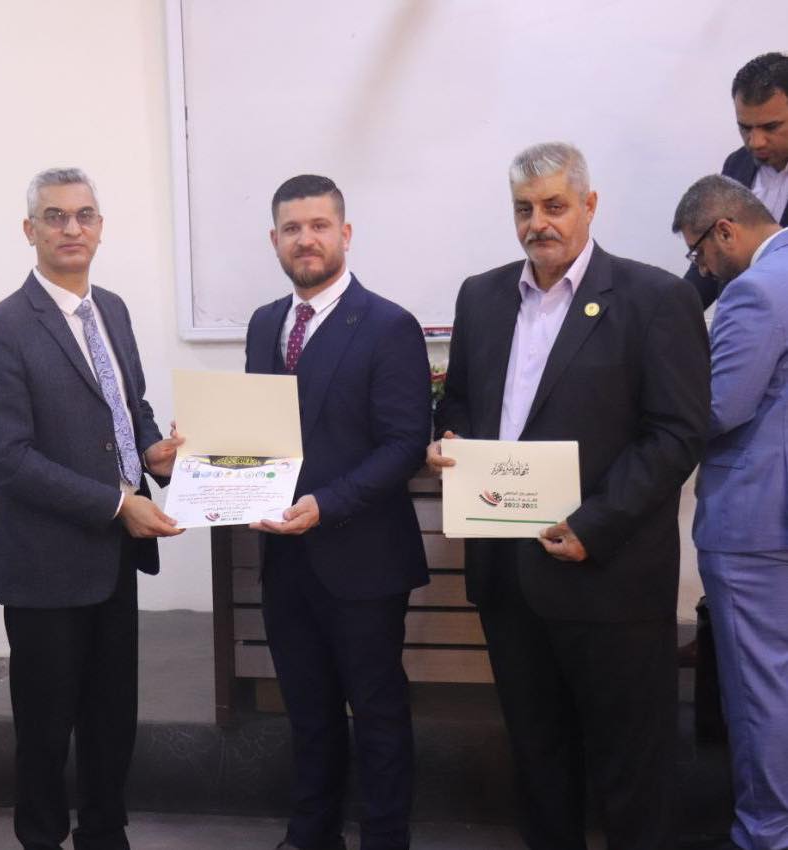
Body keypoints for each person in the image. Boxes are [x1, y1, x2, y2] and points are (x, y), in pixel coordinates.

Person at [430, 143, 709, 850]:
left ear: (589, 205)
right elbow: (459, 400)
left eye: (555, 206)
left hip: (609, 576)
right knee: (538, 761)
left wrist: (595, 524)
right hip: (508, 577)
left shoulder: (655, 299)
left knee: (631, 771)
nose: (538, 223)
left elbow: (676, 433)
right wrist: (448, 440)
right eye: (524, 209)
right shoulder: (481, 297)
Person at [0, 167, 183, 850]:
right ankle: (41, 838)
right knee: (44, 726)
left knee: (112, 716)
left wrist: (153, 451)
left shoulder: (110, 309)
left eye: (84, 215)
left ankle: (105, 833)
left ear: (100, 228)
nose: (71, 228)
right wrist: (118, 503)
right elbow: (7, 459)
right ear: (29, 230)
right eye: (54, 216)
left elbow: (129, 407)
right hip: (43, 565)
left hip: (114, 559)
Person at [244, 174, 432, 850]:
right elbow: (258, 432)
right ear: (275, 240)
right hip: (286, 559)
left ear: (345, 234)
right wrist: (212, 463)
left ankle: (385, 838)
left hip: (364, 560)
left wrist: (327, 504)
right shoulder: (265, 324)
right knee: (308, 710)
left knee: (377, 713)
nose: (306, 239)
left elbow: (405, 444)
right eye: (292, 228)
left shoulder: (389, 325)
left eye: (319, 225)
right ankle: (311, 833)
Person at [674, 175, 788, 850]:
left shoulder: (755, 289)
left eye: (698, 252)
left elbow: (719, 408)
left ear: (724, 230)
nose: (702, 269)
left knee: (758, 687)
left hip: (755, 521)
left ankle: (765, 832)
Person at [687, 52, 788, 309]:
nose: (755, 142)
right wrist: (671, 311)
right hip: (739, 319)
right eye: (745, 127)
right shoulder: (737, 164)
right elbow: (713, 255)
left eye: (771, 127)